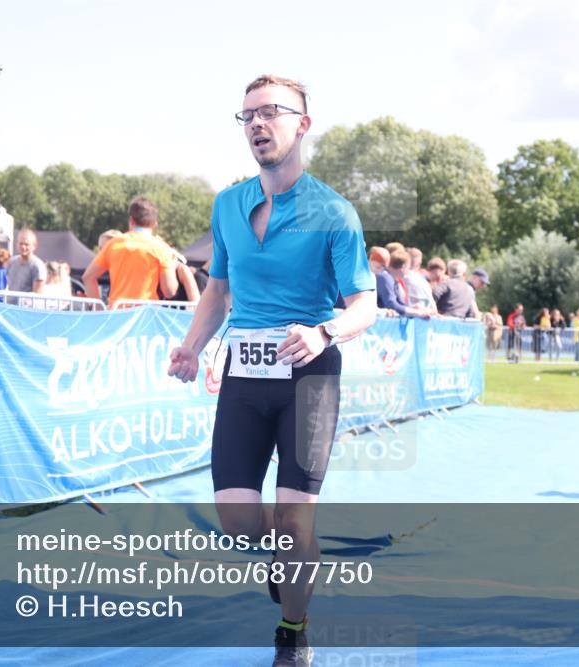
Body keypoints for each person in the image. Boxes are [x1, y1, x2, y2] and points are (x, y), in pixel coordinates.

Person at [166, 74, 376, 667]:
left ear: (302, 124)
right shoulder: (228, 204)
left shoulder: (334, 211)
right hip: (244, 373)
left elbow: (367, 303)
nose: (257, 123)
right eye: (248, 116)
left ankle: (292, 628)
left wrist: (323, 331)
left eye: (271, 113)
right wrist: (192, 346)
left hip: (309, 377)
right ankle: (294, 558)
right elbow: (218, 290)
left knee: (293, 515)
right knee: (237, 521)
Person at [82, 197, 179, 308]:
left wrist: (99, 310)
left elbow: (88, 277)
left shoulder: (113, 244)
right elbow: (169, 291)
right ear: (154, 224)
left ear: (131, 220)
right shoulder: (162, 248)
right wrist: (171, 264)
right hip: (145, 316)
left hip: (117, 314)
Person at [6, 229, 47, 294]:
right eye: (21, 243)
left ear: (34, 246)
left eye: (26, 244)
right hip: (8, 303)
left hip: (26, 303)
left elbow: (38, 293)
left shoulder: (38, 266)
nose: (23, 247)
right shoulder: (12, 262)